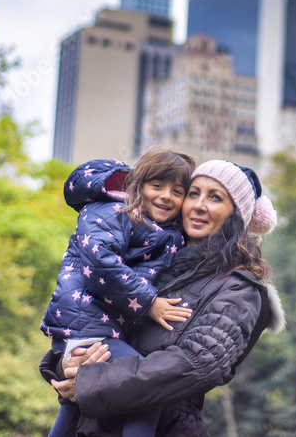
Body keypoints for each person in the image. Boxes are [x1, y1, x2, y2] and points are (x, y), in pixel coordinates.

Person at [45, 159, 285, 437]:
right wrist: (66, 364)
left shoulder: (238, 288)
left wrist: (91, 382)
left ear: (237, 216)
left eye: (215, 197)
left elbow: (196, 365)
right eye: (193, 193)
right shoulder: (149, 259)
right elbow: (90, 324)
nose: (199, 205)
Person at [41, 149, 196, 437]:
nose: (166, 196)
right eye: (157, 185)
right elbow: (100, 261)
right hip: (86, 326)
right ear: (137, 185)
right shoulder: (113, 211)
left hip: (101, 328)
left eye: (178, 191)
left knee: (75, 405)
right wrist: (149, 302)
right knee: (147, 393)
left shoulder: (160, 229)